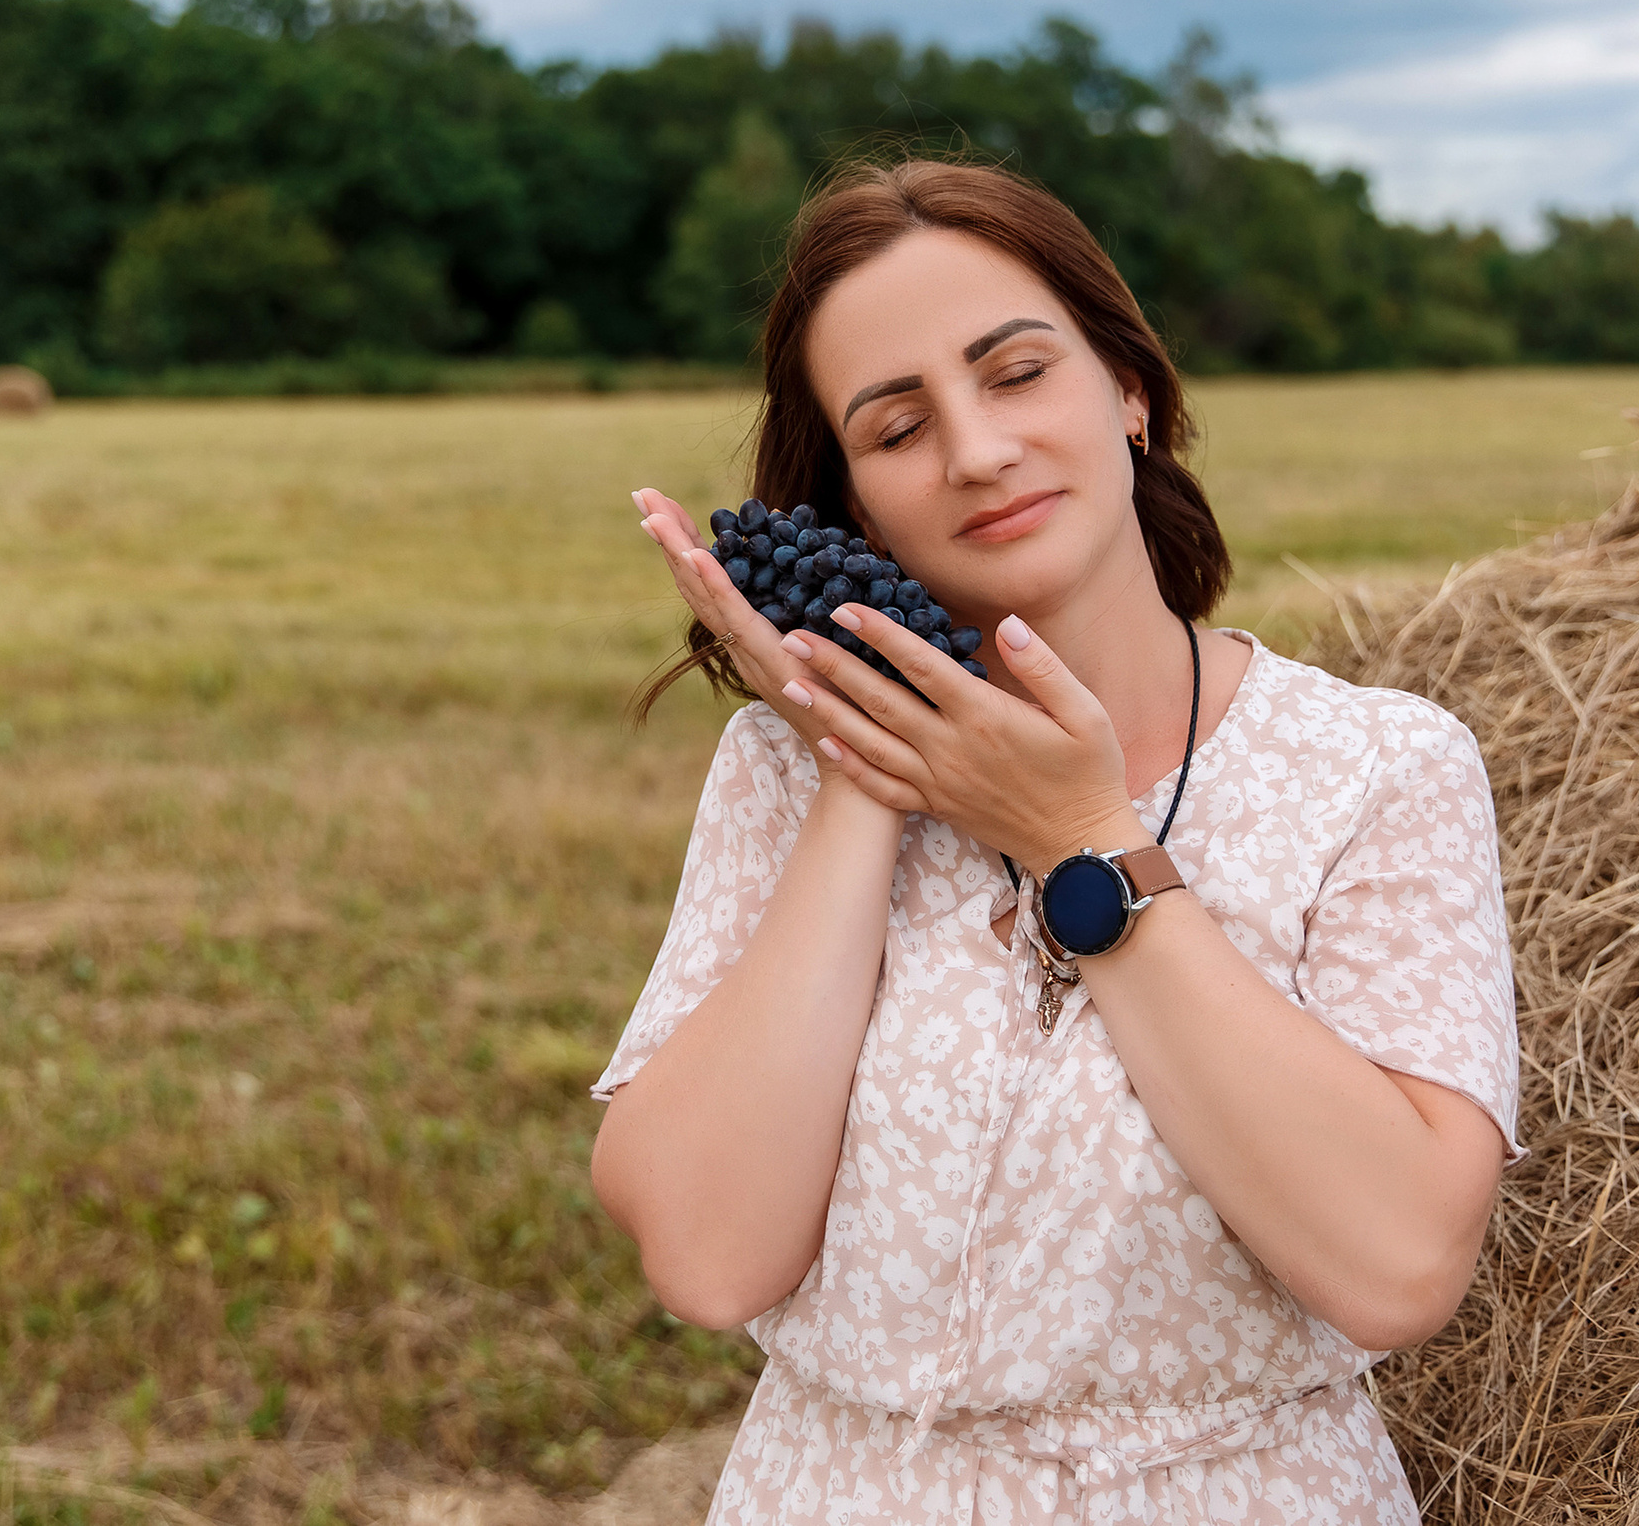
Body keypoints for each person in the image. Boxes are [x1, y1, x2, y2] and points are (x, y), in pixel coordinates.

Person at [593, 158, 1521, 1524]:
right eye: (897, 429)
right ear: (851, 504)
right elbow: (709, 1257)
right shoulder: (782, 779)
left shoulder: (1378, 770)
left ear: (1129, 392)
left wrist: (1083, 839)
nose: (975, 451)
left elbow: (1393, 1263)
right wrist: (869, 760)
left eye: (1017, 374)